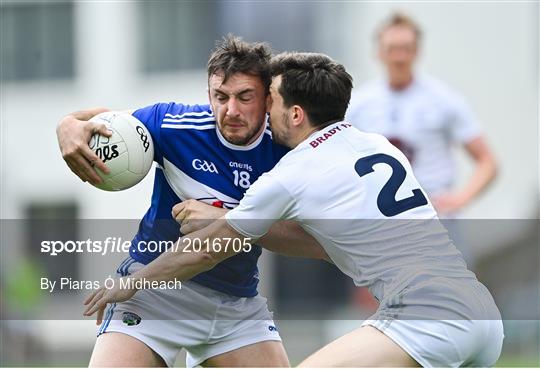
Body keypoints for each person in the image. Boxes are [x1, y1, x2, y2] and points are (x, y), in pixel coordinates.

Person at [84, 51, 504, 367]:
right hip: (483, 314)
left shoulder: (294, 171)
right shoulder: (379, 145)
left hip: (424, 316)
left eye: (272, 102)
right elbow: (339, 239)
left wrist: (134, 281)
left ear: (296, 112)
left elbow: (209, 248)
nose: (266, 112)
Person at [57, 36, 327, 368]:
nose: (231, 111)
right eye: (220, 97)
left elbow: (318, 244)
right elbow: (109, 122)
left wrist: (228, 221)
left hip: (236, 305)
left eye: (245, 97)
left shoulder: (291, 150)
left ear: (268, 99)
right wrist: (67, 124)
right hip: (152, 292)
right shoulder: (172, 124)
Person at [346, 13, 497, 222]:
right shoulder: (358, 104)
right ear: (379, 53)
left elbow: (487, 162)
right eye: (392, 49)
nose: (399, 58)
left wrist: (460, 199)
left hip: (435, 220)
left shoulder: (444, 99)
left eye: (406, 49)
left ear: (417, 52)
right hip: (380, 223)